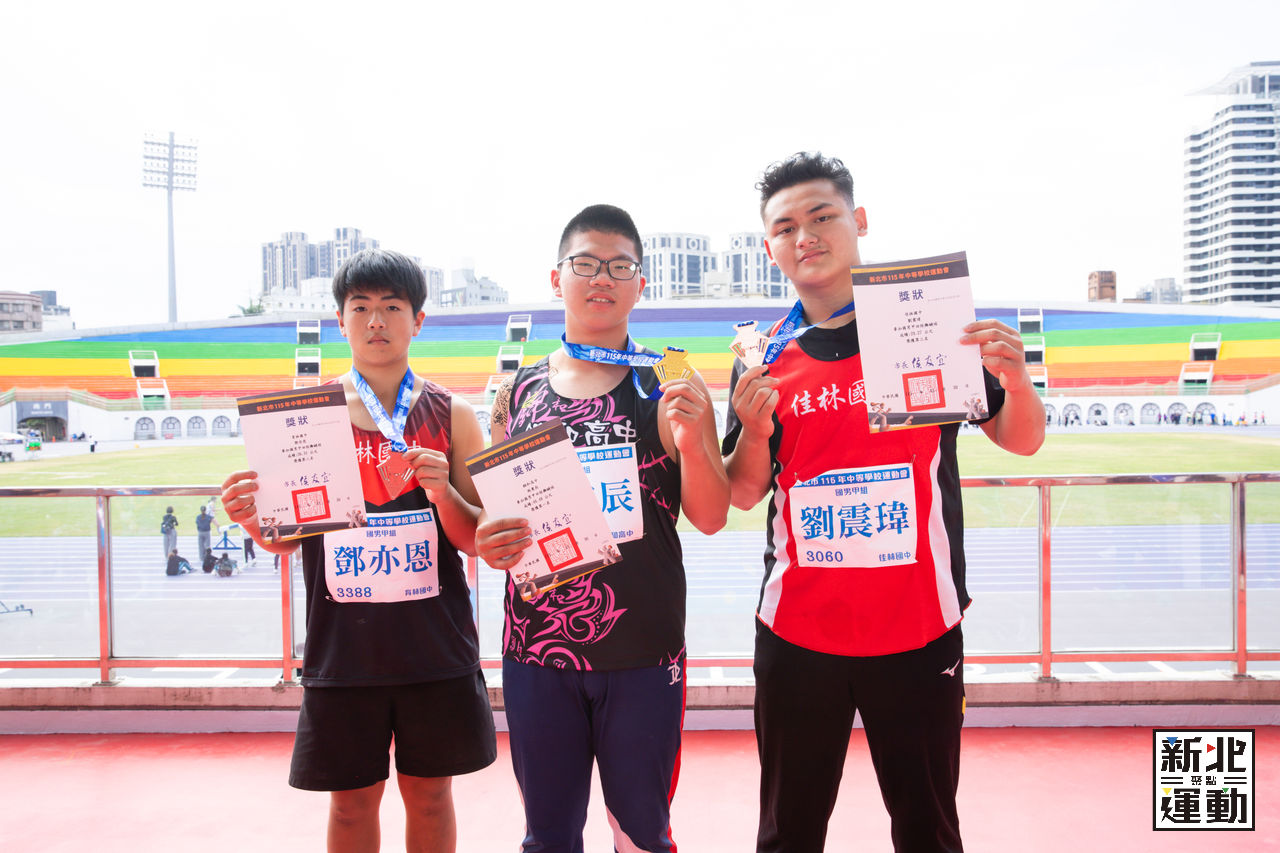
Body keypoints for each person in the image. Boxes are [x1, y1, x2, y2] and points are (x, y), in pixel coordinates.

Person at [722, 153, 1046, 853]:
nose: (805, 236)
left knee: (928, 829)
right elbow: (744, 492)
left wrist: (1017, 382)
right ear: (770, 247)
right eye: (785, 227)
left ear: (859, 220)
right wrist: (751, 428)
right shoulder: (760, 356)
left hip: (919, 630)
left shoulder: (925, 327)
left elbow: (1020, 440)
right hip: (798, 634)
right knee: (787, 833)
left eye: (822, 216)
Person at [221, 248, 496, 853]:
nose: (376, 321)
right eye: (360, 307)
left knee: (431, 796)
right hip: (343, 646)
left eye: (392, 307)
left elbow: (475, 538)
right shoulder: (303, 418)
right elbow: (281, 538)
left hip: (434, 643)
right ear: (340, 321)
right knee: (349, 806)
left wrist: (443, 492)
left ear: (417, 320)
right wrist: (251, 519)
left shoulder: (452, 414)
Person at [475, 204, 730, 852]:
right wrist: (488, 537)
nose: (601, 278)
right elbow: (495, 515)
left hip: (642, 650)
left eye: (619, 267)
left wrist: (693, 443)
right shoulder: (516, 393)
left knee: (642, 835)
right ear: (555, 277)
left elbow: (710, 516)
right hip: (537, 650)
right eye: (585, 264)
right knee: (547, 836)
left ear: (640, 284)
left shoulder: (669, 382)